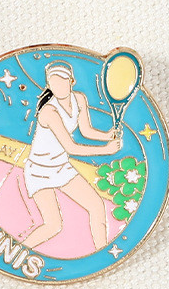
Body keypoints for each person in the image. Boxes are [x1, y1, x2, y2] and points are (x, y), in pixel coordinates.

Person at [21, 61, 122, 252]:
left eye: (62, 81)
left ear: (72, 81)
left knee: (96, 206)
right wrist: (106, 150)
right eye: (53, 82)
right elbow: (71, 147)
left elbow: (86, 130)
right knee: (53, 225)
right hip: (39, 171)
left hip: (60, 166)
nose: (58, 86)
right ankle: (19, 250)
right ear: (49, 85)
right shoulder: (49, 112)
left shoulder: (80, 99)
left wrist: (107, 136)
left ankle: (101, 253)